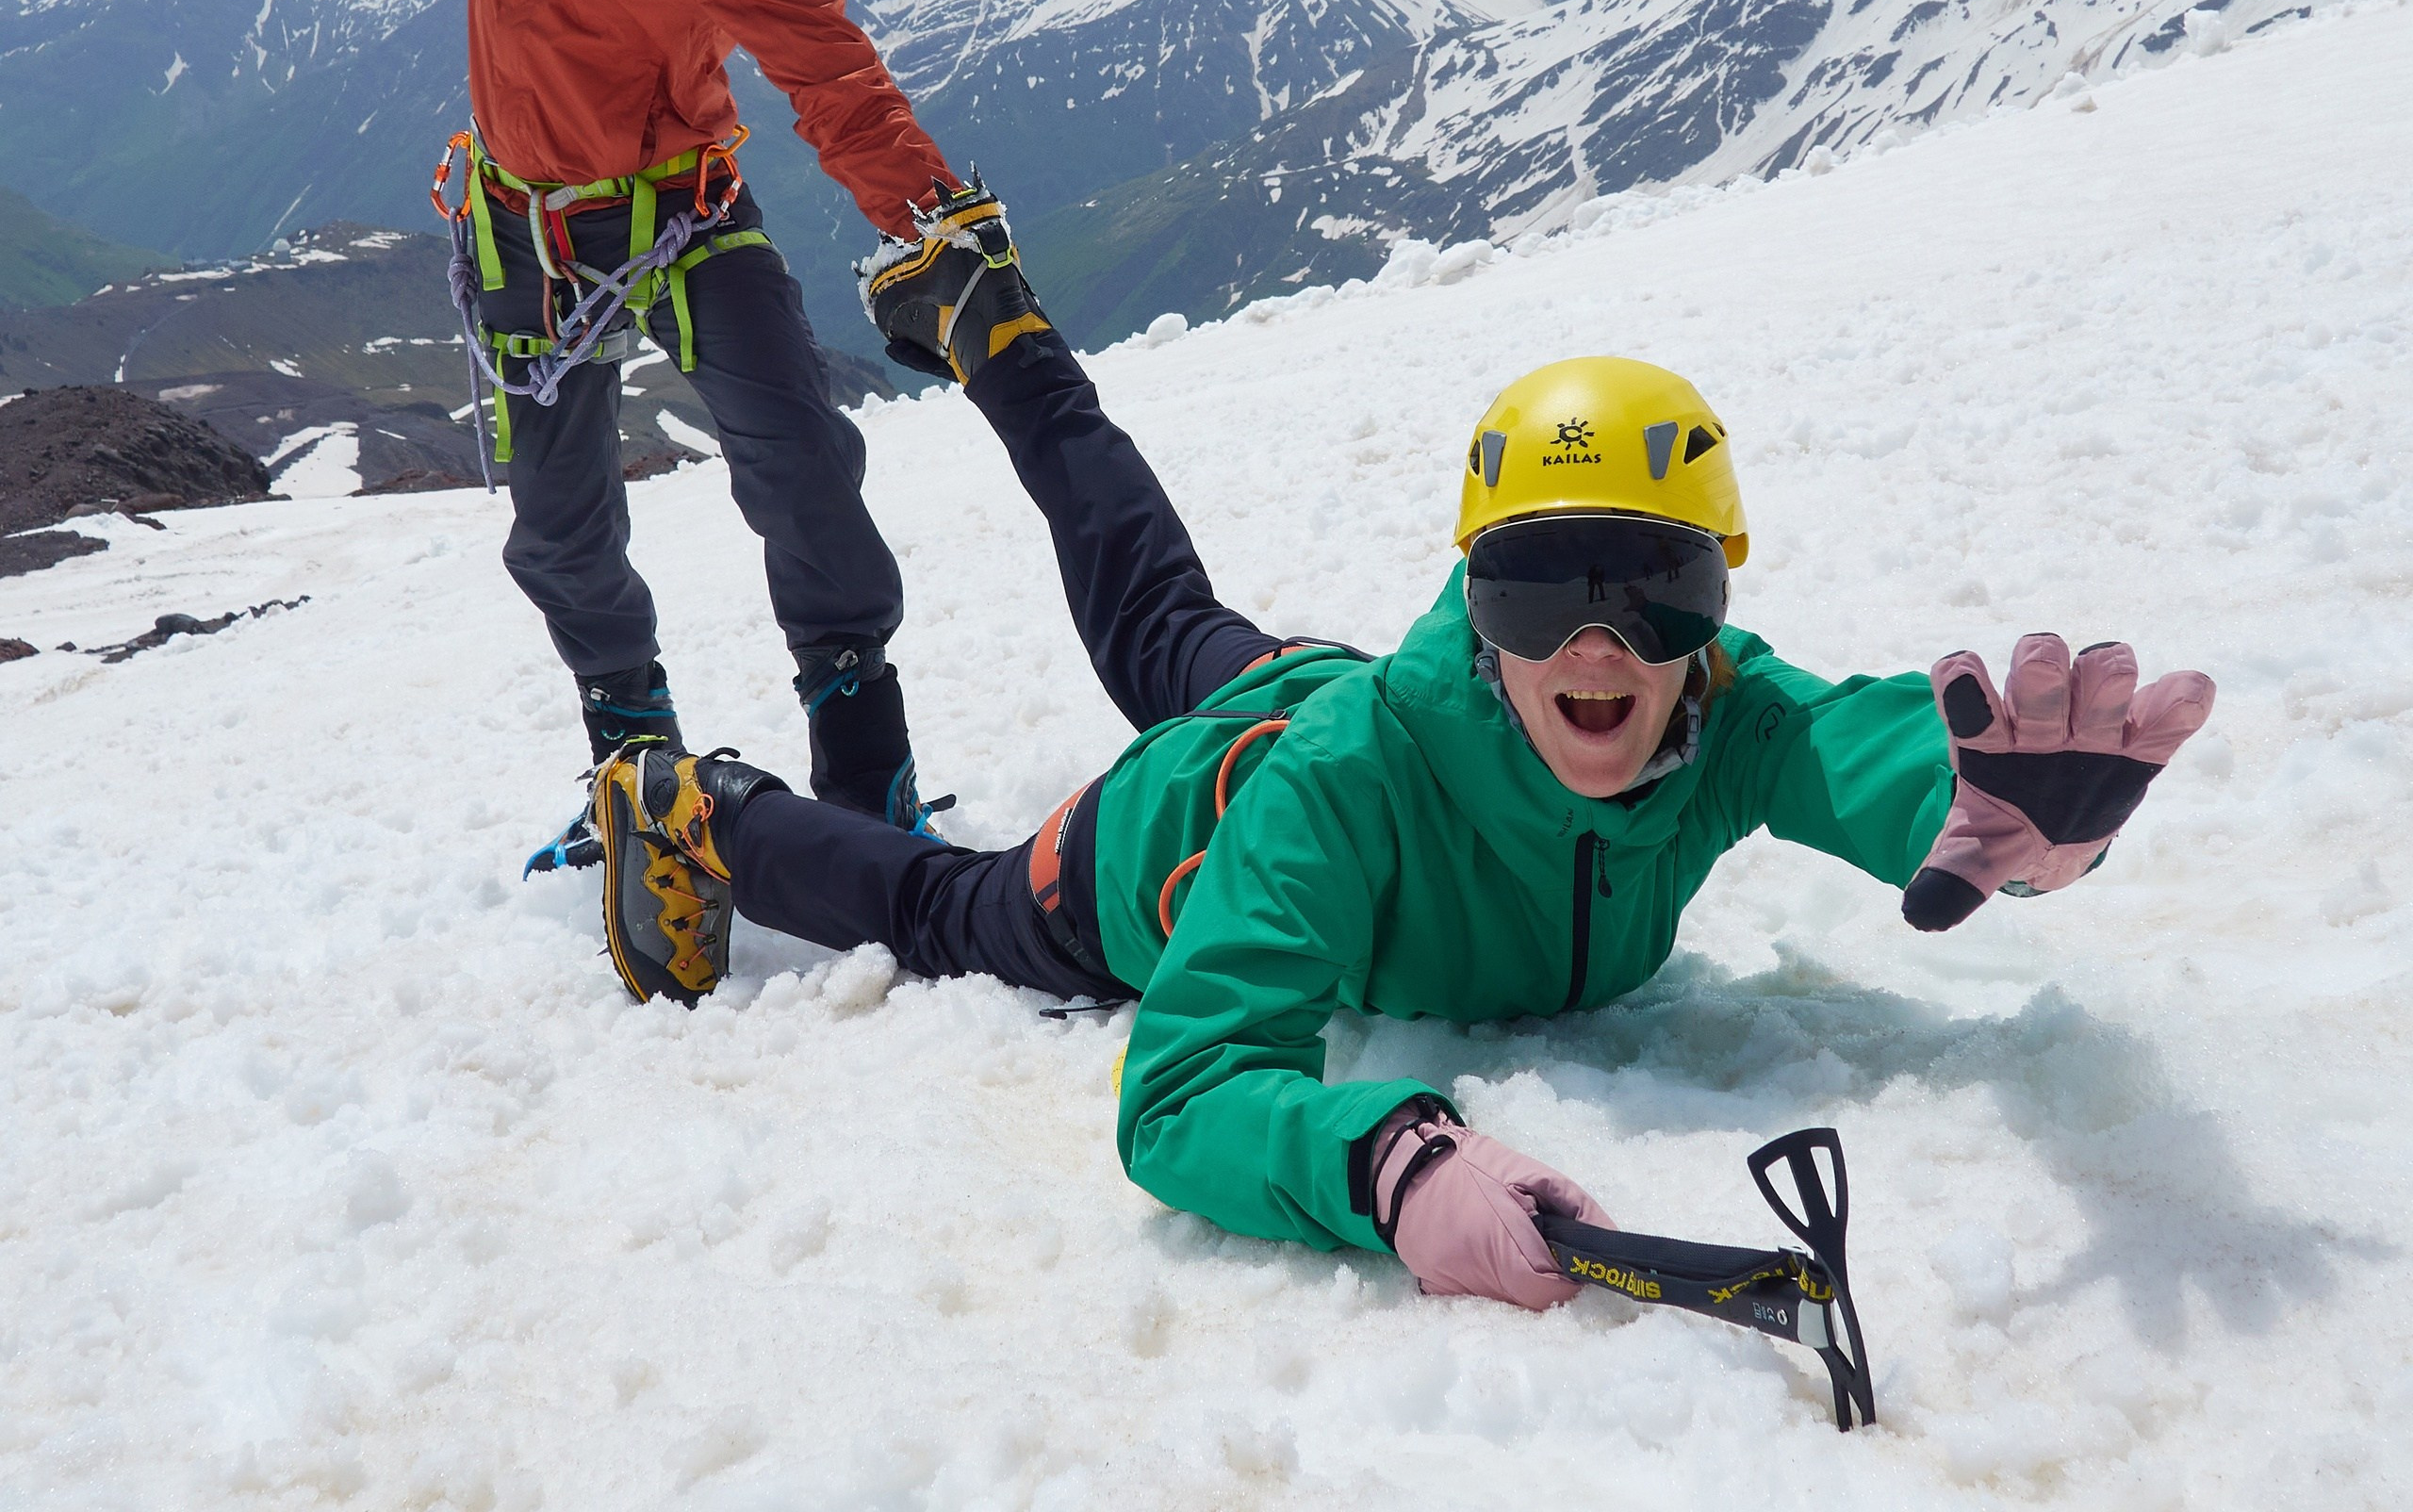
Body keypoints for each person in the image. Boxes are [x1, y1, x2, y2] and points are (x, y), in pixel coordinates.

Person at [589, 222, 2215, 1310]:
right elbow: (1184, 1092)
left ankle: (1001, 337)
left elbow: (1864, 745)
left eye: (1652, 590)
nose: (1601, 646)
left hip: (1326, 693)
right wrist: (1386, 1161)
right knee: (952, 906)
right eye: (1537, 589)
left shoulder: (1717, 716)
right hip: (1173, 839)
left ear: (1712, 605)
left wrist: (1996, 815)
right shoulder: (1345, 792)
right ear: (1477, 610)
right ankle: (701, 809)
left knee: (1163, 611)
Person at [382, 0, 1005, 869]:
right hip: (525, 231)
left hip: (681, 211)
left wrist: (940, 221)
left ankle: (862, 749)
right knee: (559, 524)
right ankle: (631, 765)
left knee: (798, 456)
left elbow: (832, 77)